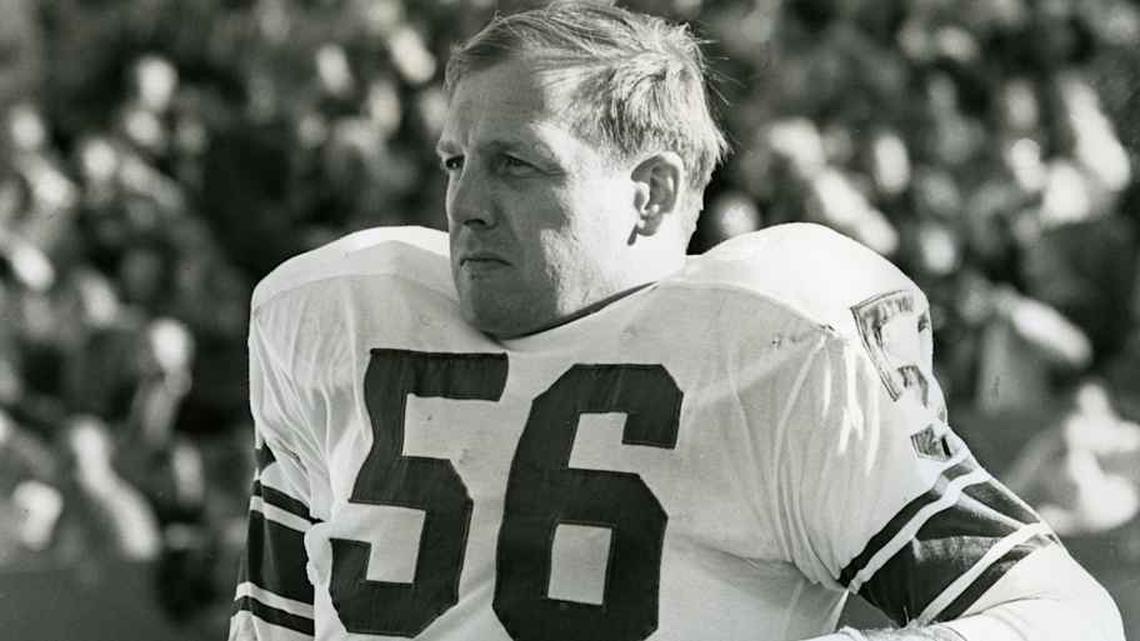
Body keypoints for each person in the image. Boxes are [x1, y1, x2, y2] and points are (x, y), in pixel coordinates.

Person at [228, 3, 1124, 641]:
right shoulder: (341, 317)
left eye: (516, 164)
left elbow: (1061, 615)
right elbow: (274, 624)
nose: (463, 201)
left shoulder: (776, 337)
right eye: (456, 160)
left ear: (650, 192)